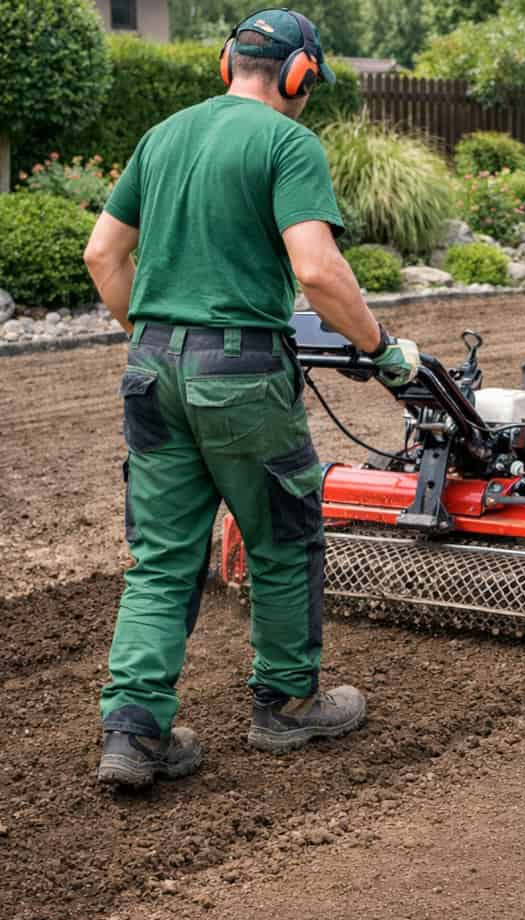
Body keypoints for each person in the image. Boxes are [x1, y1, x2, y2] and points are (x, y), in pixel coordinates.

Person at [84, 8, 419, 788]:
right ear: (301, 76)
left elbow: (103, 253)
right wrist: (381, 349)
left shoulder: (162, 136)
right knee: (283, 534)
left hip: (151, 370)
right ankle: (288, 706)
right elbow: (318, 271)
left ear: (227, 61)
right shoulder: (287, 142)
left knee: (162, 559)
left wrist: (164, 336)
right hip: (241, 380)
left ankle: (133, 734)